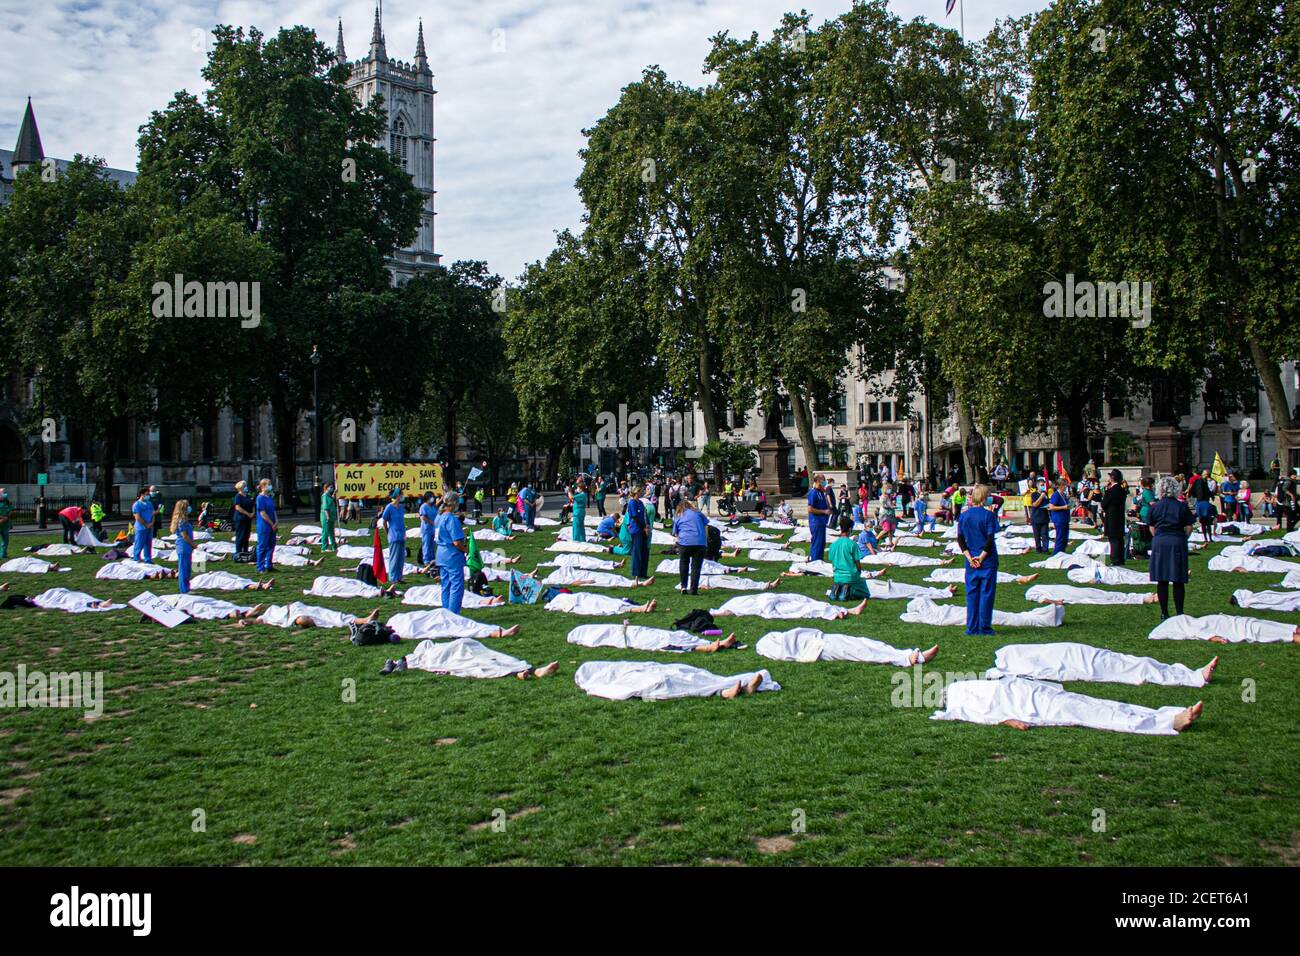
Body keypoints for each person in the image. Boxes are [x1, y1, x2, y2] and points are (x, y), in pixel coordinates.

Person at [957, 484, 1000, 636]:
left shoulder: (964, 516)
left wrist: (970, 558)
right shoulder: (989, 516)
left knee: (972, 594)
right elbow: (990, 539)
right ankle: (984, 627)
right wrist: (981, 557)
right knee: (986, 594)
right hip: (986, 561)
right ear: (983, 497)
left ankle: (971, 627)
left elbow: (960, 539)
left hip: (971, 562)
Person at [1149, 475, 1193, 620]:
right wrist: (1182, 538)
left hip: (1160, 541)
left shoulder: (1155, 506)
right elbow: (1188, 527)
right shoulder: (1182, 506)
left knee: (1162, 579)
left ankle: (1164, 612)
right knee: (1178, 579)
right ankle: (1179, 612)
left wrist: (1159, 537)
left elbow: (1152, 527)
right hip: (1177, 541)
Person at [434, 490, 468, 613]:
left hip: (441, 554)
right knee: (456, 586)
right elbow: (457, 542)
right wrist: (466, 550)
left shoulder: (439, 517)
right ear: (453, 503)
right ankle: (453, 614)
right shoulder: (452, 519)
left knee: (445, 585)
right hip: (451, 555)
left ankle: (445, 612)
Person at [828, 516, 873, 601]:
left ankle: (838, 588)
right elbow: (858, 564)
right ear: (849, 529)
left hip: (837, 576)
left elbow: (832, 561)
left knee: (842, 581)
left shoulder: (833, 545)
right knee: (866, 593)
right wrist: (859, 574)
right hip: (850, 576)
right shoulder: (852, 544)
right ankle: (848, 590)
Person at [672, 498, 709, 595]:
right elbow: (706, 526)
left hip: (685, 543)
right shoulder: (698, 513)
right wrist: (705, 540)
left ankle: (683, 586)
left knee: (684, 563)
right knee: (696, 567)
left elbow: (676, 533)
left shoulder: (678, 516)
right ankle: (693, 589)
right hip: (700, 542)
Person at [1101, 469, 1128, 566]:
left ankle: (1115, 559)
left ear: (1112, 478)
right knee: (1119, 537)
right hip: (1119, 515)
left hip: (1112, 516)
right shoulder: (1122, 490)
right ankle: (1120, 558)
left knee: (1113, 538)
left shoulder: (1111, 490)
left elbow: (1104, 504)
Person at [625, 484, 651, 582]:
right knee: (637, 551)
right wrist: (643, 527)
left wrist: (647, 525)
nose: (641, 493)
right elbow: (635, 517)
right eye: (640, 491)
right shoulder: (632, 503)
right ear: (635, 492)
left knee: (644, 550)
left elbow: (645, 515)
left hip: (644, 528)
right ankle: (636, 572)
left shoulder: (640, 502)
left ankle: (643, 572)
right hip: (637, 529)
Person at [382, 487, 407, 584]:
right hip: (393, 536)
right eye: (401, 494)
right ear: (397, 495)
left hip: (401, 535)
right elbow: (384, 521)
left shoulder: (401, 508)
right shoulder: (389, 507)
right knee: (394, 558)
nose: (402, 496)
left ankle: (399, 577)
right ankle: (393, 577)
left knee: (401, 558)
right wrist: (388, 532)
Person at [170, 500, 196, 594]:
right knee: (183, 569)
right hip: (183, 546)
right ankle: (184, 589)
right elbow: (184, 535)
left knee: (187, 568)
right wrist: (193, 544)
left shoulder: (184, 520)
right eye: (187, 506)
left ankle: (187, 587)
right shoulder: (182, 521)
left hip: (187, 547)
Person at [806, 473, 832, 562]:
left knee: (821, 543)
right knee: (817, 543)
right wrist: (824, 511)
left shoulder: (821, 492)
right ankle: (815, 562)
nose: (825, 482)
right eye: (823, 480)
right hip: (816, 522)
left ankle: (819, 561)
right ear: (818, 481)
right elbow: (810, 509)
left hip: (822, 522)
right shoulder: (813, 493)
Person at [254, 479, 277, 573]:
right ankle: (260, 567)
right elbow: (263, 513)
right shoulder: (260, 498)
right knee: (262, 546)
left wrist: (276, 522)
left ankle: (269, 565)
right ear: (263, 486)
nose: (270, 486)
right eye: (269, 484)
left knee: (272, 545)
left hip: (273, 525)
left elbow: (273, 511)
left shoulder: (269, 497)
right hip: (264, 525)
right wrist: (271, 523)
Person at [1047, 478, 1071, 553]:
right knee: (1060, 537)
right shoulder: (1056, 495)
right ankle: (1057, 553)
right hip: (1059, 519)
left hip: (1065, 519)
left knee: (1065, 538)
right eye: (1065, 485)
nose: (1066, 487)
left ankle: (1062, 552)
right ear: (1060, 486)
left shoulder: (1063, 495)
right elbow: (1051, 507)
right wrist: (1063, 507)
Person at [232, 480, 255, 560]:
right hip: (240, 519)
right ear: (240, 487)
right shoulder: (238, 496)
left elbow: (252, 504)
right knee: (240, 536)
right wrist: (248, 514)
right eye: (244, 486)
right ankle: (238, 552)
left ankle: (245, 551)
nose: (246, 487)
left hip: (248, 519)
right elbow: (238, 507)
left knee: (246, 535)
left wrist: (252, 513)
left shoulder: (248, 496)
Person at [131, 488, 155, 563]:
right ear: (142, 494)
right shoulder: (137, 504)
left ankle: (148, 559)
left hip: (149, 527)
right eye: (147, 494)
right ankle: (136, 557)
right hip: (140, 528)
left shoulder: (149, 503)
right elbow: (137, 517)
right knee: (139, 543)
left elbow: (153, 514)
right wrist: (145, 524)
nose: (148, 496)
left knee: (148, 544)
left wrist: (151, 523)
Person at [418, 492, 439, 565]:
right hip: (426, 528)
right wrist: (432, 522)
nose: (432, 498)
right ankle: (426, 560)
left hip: (433, 529)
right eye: (431, 497)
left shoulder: (433, 506)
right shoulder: (424, 507)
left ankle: (432, 559)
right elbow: (423, 517)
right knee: (426, 544)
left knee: (432, 545)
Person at [319, 482, 338, 552]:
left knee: (331, 532)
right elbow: (325, 507)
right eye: (330, 487)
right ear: (326, 488)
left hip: (331, 517)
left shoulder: (329, 496)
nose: (332, 488)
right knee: (325, 532)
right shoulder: (325, 496)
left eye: (332, 487)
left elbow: (331, 500)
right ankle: (324, 548)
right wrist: (327, 516)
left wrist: (334, 493)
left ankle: (334, 547)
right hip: (326, 517)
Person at [571, 477, 588, 543]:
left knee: (576, 526)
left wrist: (569, 491)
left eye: (578, 488)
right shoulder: (583, 494)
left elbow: (572, 497)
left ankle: (576, 539)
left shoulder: (582, 495)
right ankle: (582, 539)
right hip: (580, 512)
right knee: (580, 526)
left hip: (578, 512)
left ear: (581, 488)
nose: (577, 489)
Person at [0, 488, 12, 559]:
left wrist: (6, 517)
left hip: (5, 524)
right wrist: (2, 518)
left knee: (5, 539)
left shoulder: (6, 502)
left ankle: (3, 554)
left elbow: (10, 509)